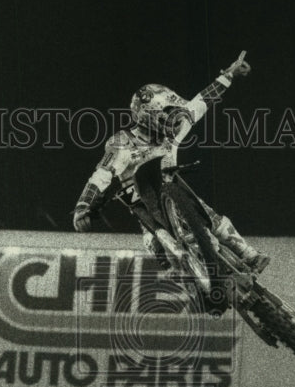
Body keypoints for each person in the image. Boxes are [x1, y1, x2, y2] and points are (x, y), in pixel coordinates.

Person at [72, 51, 270, 274]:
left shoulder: (175, 125)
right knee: (155, 246)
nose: (172, 119)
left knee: (208, 214)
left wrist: (230, 73)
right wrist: (84, 205)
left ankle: (248, 254)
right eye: (164, 114)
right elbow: (102, 173)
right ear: (146, 115)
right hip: (140, 200)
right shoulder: (121, 143)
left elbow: (202, 101)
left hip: (172, 189)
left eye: (172, 112)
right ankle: (183, 276)